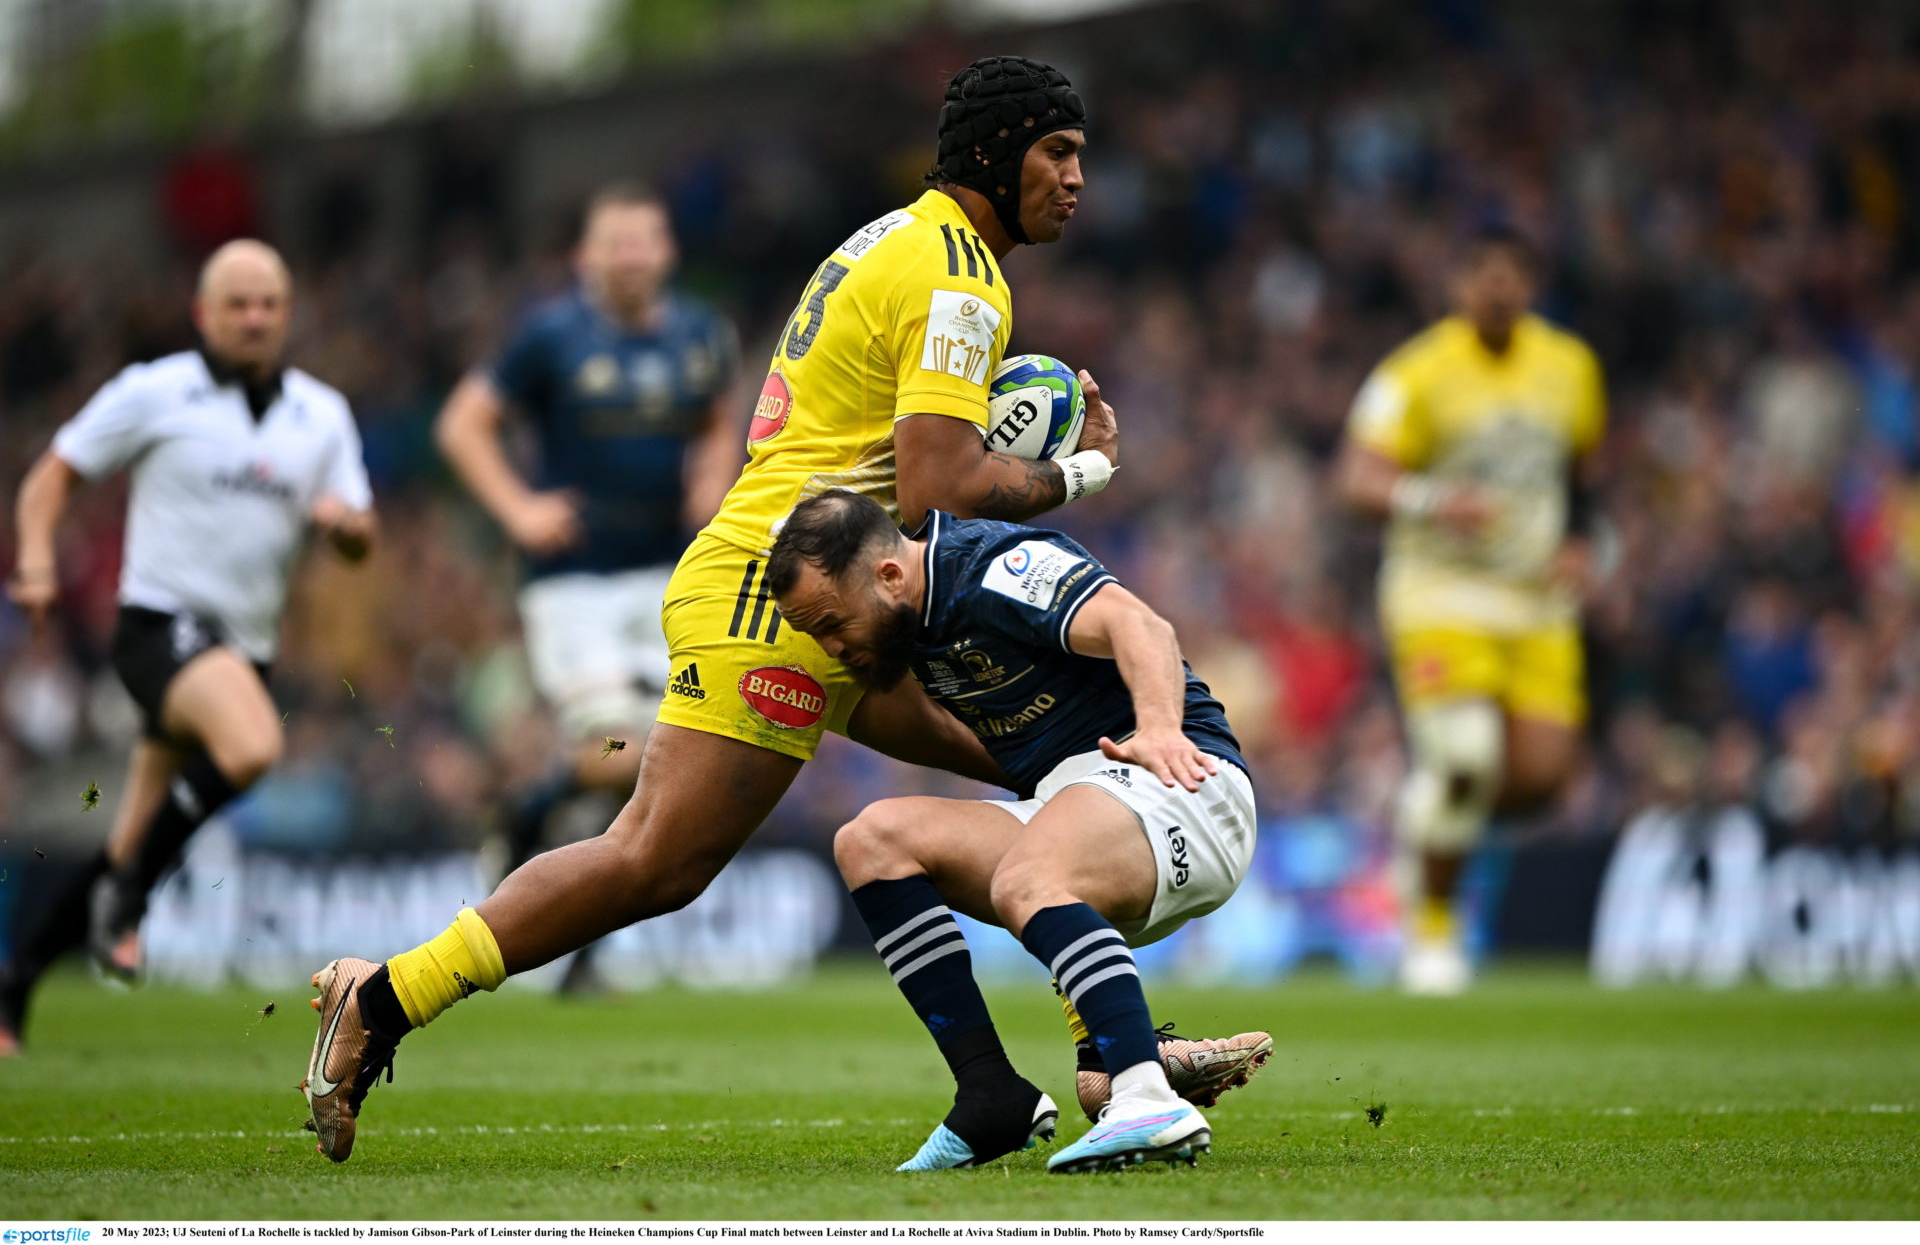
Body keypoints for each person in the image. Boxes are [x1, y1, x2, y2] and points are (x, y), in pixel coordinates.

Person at [300, 56, 1251, 1164]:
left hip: (823, 568)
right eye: (1057, 152)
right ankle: (384, 994)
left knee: (1036, 775)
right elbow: (940, 482)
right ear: (996, 152)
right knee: (657, 857)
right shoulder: (958, 278)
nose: (1077, 178)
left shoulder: (896, 238)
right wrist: (1081, 474)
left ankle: (1075, 1060)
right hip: (788, 585)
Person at [766, 490, 1266, 1172]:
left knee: (1030, 876)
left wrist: (1157, 728)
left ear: (888, 576)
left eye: (830, 622)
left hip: (1178, 781)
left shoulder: (996, 566)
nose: (829, 644)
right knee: (872, 839)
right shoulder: (904, 627)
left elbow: (1140, 626)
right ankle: (991, 1094)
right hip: (1081, 802)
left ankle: (1147, 1096)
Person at [1, 239, 375, 1053]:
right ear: (203, 312)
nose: (253, 317)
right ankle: (131, 893)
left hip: (245, 648)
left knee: (128, 831)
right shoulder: (154, 391)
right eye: (236, 302)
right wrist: (34, 560)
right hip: (157, 628)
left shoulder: (321, 414)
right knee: (251, 746)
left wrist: (346, 530)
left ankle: (14, 986)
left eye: (269, 303)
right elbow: (53, 475)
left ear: (288, 313)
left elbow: (359, 527)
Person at [435, 183, 741, 882]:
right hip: (576, 578)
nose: (630, 258)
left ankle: (557, 876)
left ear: (666, 251)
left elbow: (720, 419)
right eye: (615, 245)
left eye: (642, 242)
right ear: (585, 257)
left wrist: (711, 476)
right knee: (621, 752)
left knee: (663, 764)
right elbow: (462, 423)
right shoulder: (550, 335)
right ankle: (528, 817)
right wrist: (518, 509)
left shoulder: (700, 332)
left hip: (670, 573)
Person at [1336, 228, 1606, 995]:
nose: (1498, 289)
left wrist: (1586, 540)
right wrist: (1427, 499)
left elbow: (1584, 472)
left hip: (1536, 602)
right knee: (1466, 760)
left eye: (1512, 275)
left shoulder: (1570, 367)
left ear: (1530, 283)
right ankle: (1432, 932)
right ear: (1458, 285)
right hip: (1439, 593)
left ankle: (1423, 812)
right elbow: (1354, 478)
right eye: (1483, 275)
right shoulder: (1416, 372)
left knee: (1542, 780)